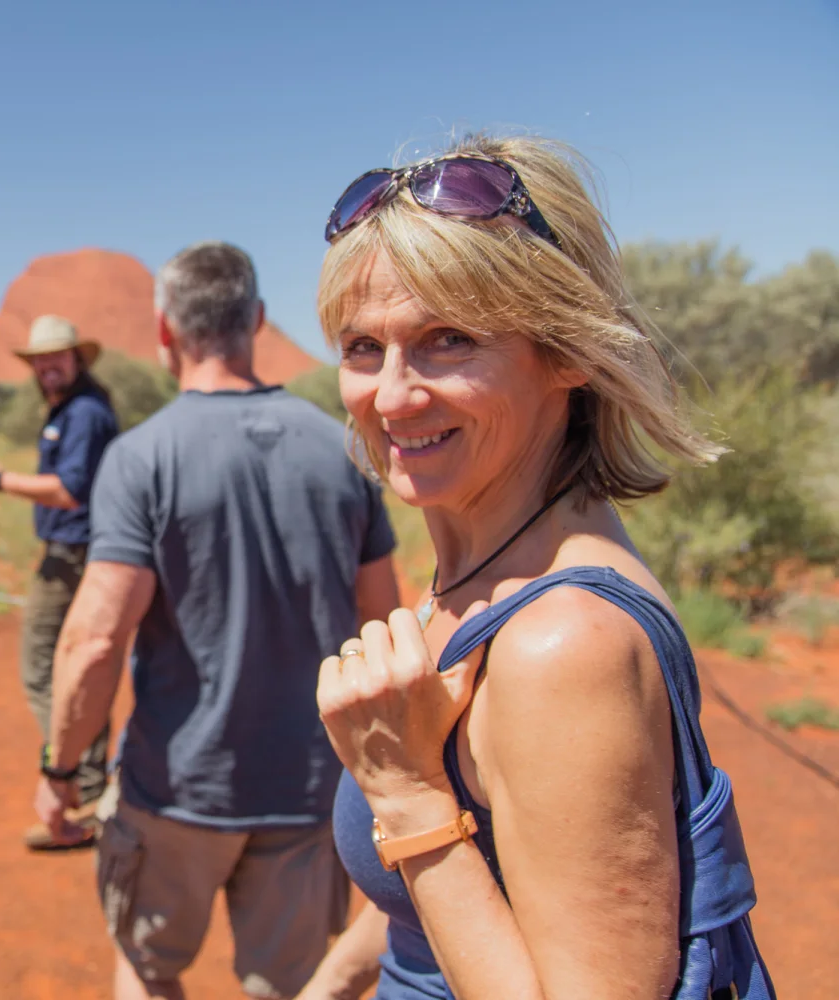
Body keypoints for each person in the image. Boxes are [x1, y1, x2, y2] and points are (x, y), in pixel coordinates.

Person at [308, 133, 775, 1000]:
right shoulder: (486, 563)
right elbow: (467, 884)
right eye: (362, 347)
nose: (393, 395)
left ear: (567, 353)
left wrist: (405, 796)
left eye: (448, 339)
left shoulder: (561, 645)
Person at [33, 241, 403, 1000]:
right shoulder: (345, 452)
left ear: (164, 331)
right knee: (289, 984)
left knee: (146, 966)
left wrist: (61, 769)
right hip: (309, 791)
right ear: (258, 320)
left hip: (176, 790)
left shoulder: (142, 460)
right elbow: (383, 621)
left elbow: (97, 637)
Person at [0, 314, 120, 851]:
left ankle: (78, 780)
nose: (47, 367)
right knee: (79, 665)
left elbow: (69, 491)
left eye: (56, 357)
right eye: (39, 359)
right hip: (73, 553)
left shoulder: (82, 413)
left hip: (75, 557)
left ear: (77, 359)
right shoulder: (71, 409)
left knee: (43, 667)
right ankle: (89, 784)